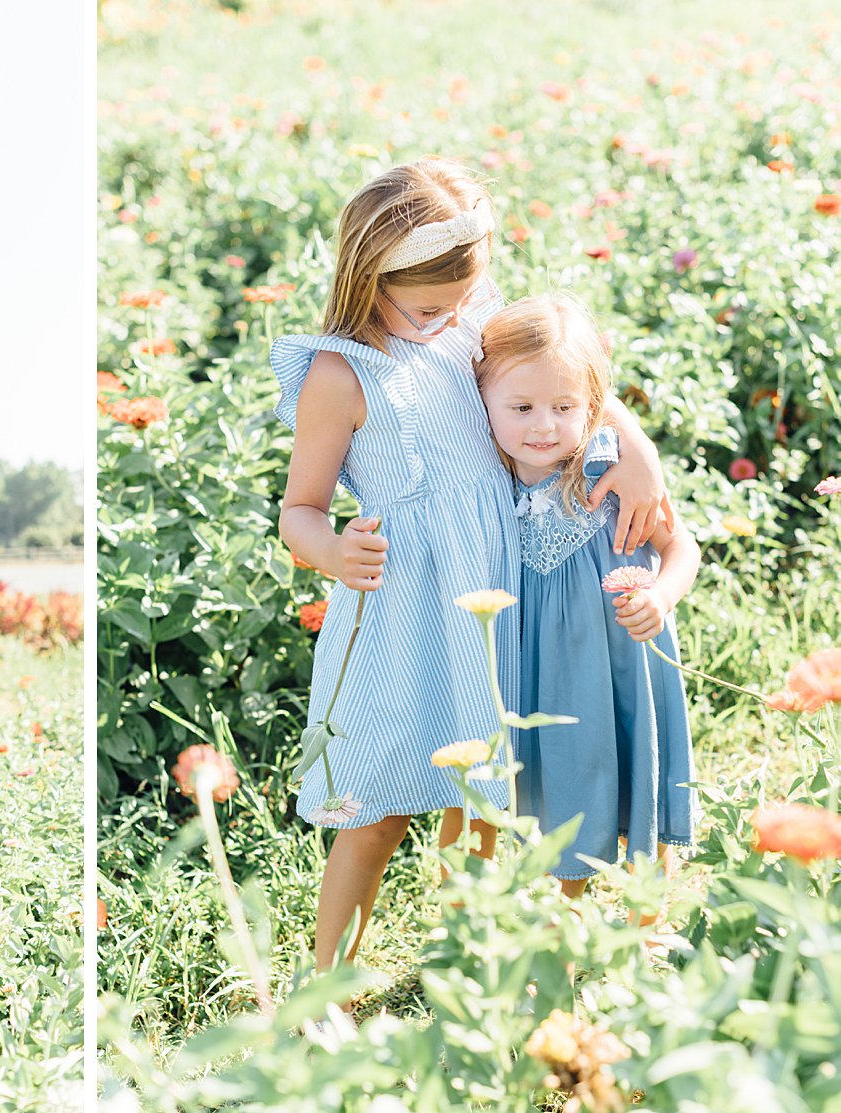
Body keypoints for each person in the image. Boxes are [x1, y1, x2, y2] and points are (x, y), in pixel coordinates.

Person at [270, 159, 672, 975]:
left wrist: (640, 457)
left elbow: (568, 374)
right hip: (401, 619)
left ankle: (468, 968)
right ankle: (326, 989)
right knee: (375, 811)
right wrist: (332, 551)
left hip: (496, 609)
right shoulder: (341, 373)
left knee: (489, 800)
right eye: (429, 306)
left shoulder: (461, 321)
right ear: (368, 276)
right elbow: (297, 510)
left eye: (463, 300)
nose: (453, 318)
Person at [475, 293, 698, 906]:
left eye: (563, 407)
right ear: (483, 402)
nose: (543, 426)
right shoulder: (486, 483)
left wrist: (662, 594)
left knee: (637, 780)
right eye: (520, 407)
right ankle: (565, 929)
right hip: (545, 671)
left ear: (594, 407)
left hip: (623, 656)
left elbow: (683, 549)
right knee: (565, 779)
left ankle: (645, 929)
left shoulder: (608, 471)